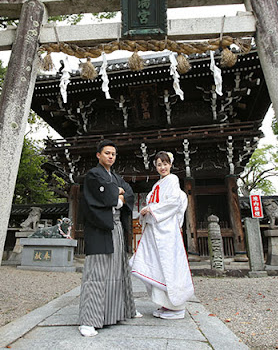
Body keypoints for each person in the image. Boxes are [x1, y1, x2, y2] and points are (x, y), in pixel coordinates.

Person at [78, 139, 140, 337]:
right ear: (98, 155)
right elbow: (106, 196)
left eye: (113, 154)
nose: (110, 156)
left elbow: (128, 192)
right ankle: (88, 320)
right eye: (107, 153)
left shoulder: (115, 176)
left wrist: (119, 194)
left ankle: (118, 312)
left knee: (118, 269)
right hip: (99, 228)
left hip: (116, 228)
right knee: (97, 272)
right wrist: (117, 194)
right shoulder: (93, 175)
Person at [129, 151, 194, 320]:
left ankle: (177, 306)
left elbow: (174, 202)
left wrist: (152, 209)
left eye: (165, 164)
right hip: (156, 231)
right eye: (159, 164)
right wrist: (146, 212)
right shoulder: (158, 184)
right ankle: (166, 305)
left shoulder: (172, 180)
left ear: (170, 164)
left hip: (166, 233)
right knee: (157, 266)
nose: (162, 167)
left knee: (168, 266)